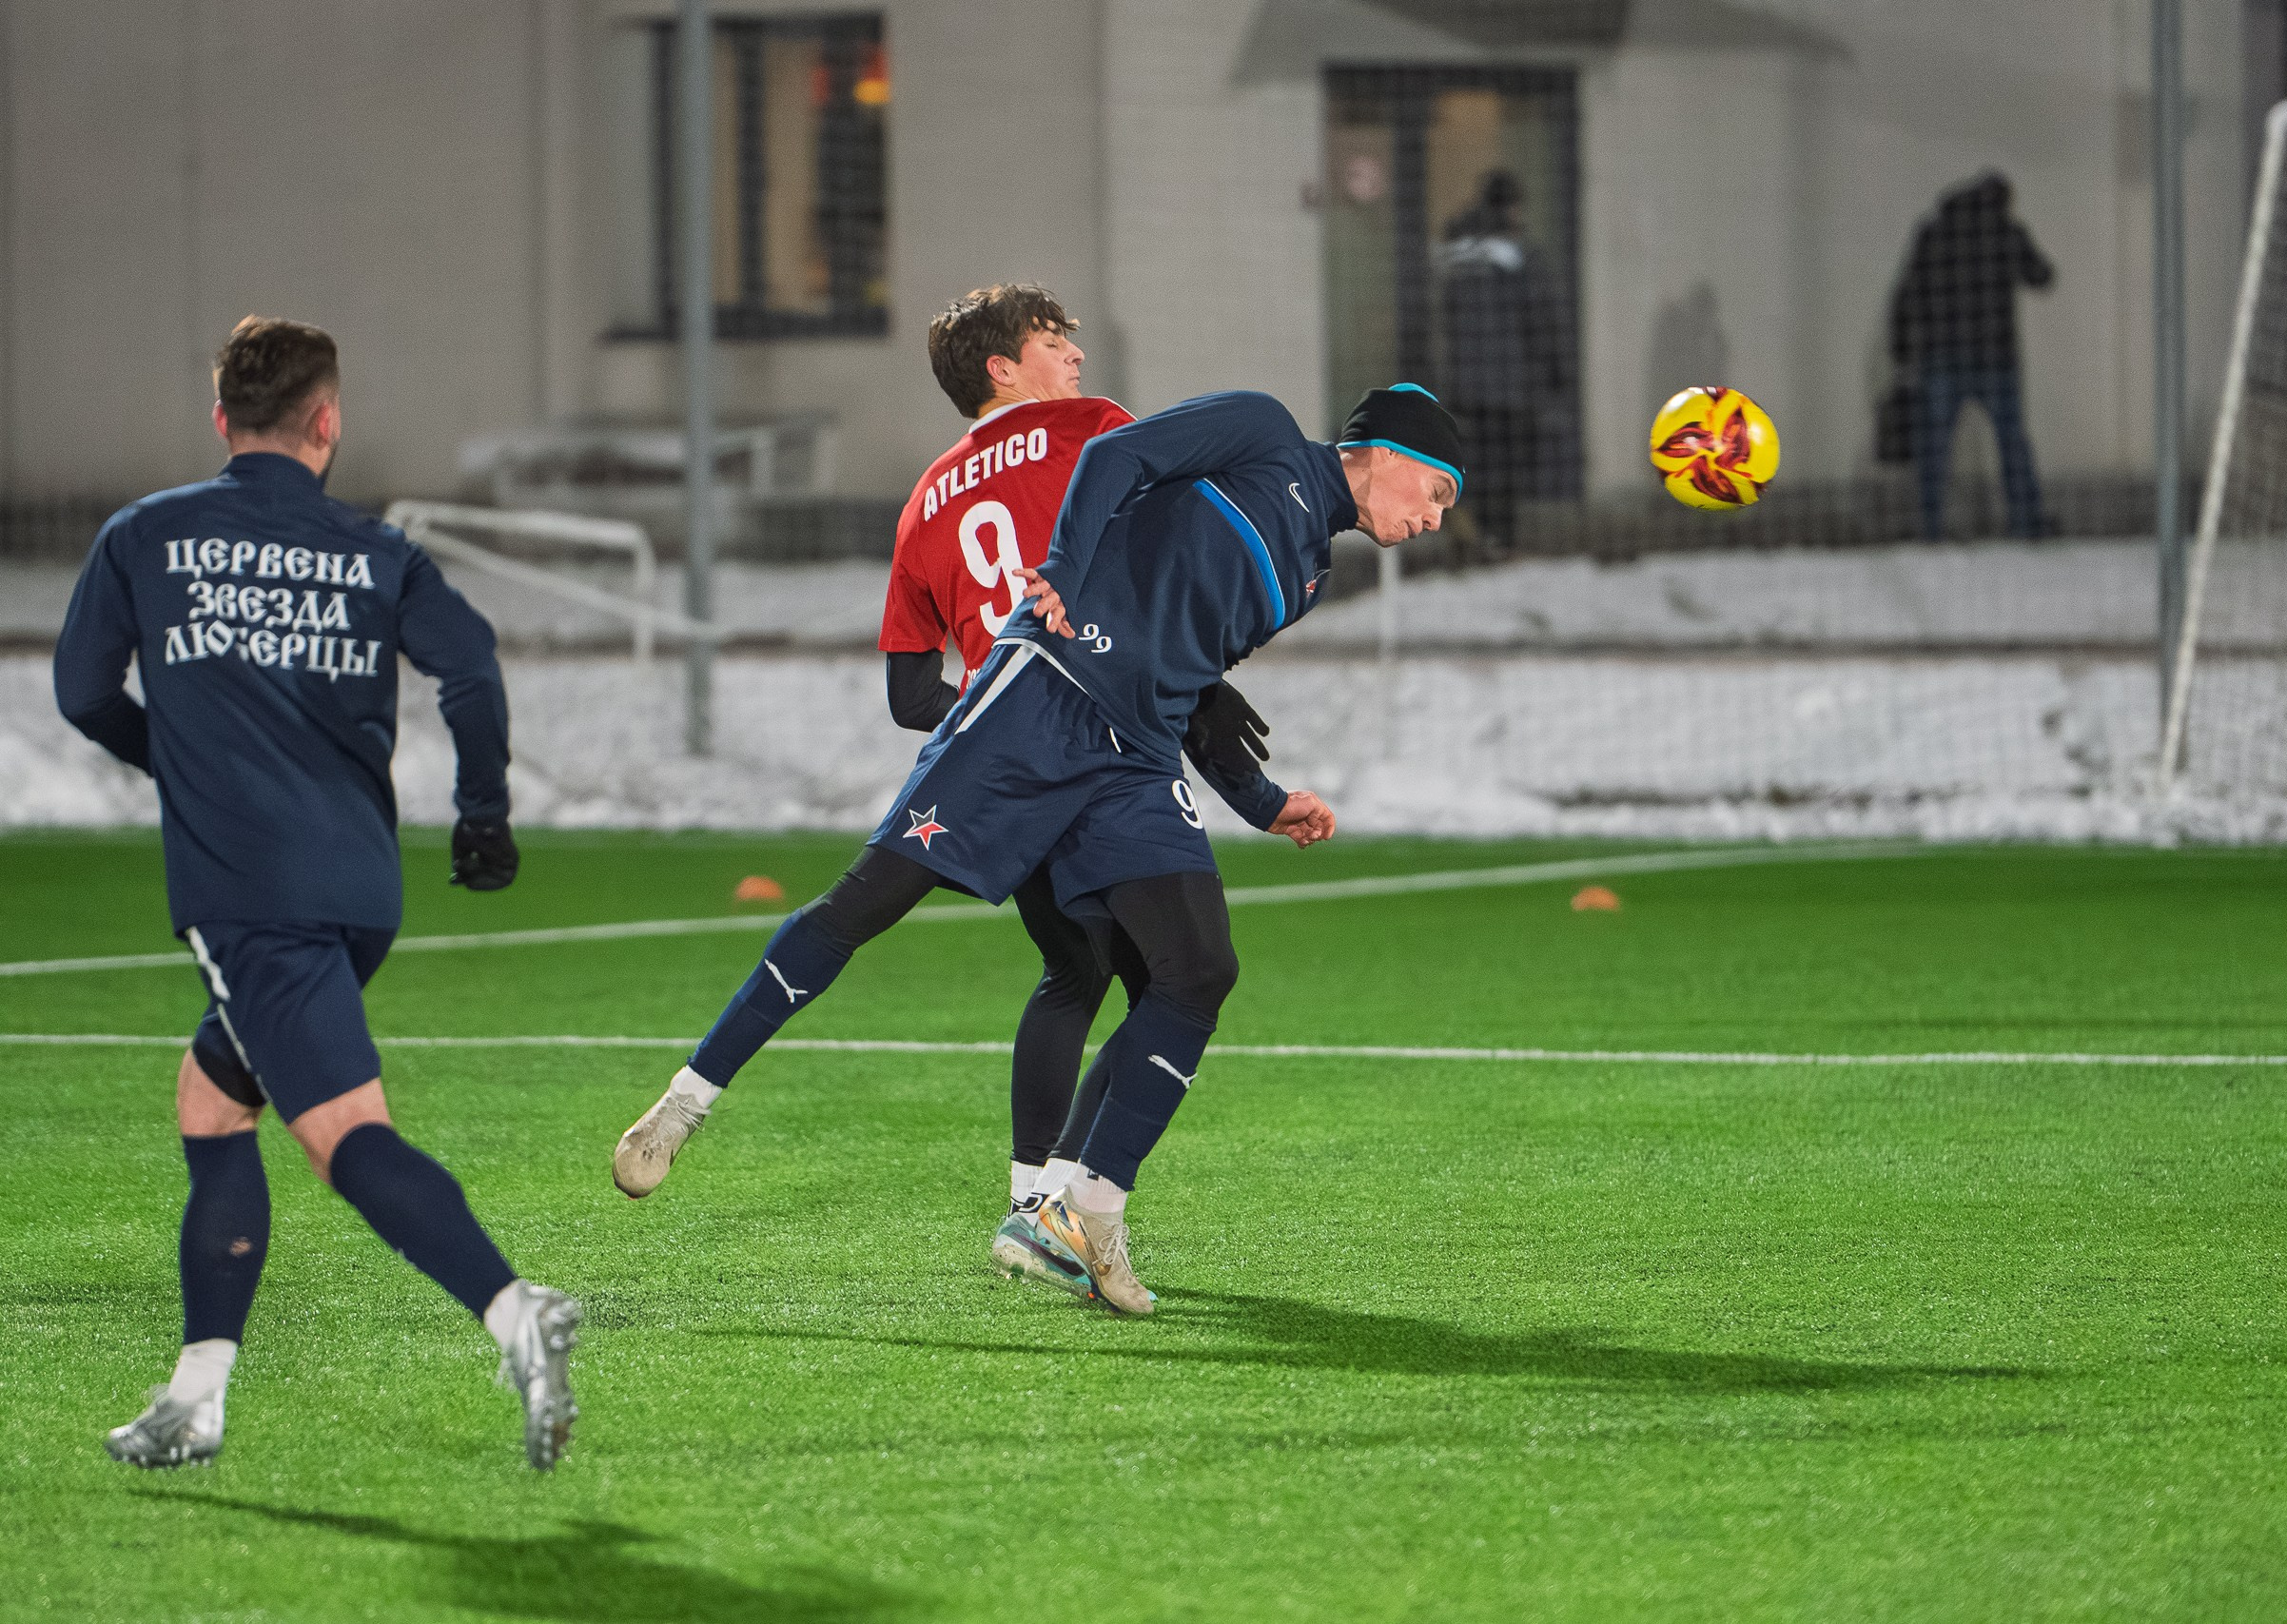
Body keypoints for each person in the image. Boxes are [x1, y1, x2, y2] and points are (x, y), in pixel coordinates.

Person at [612, 382, 1462, 1314]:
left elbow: (1192, 688)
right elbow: (1114, 458)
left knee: (1196, 971)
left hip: (1134, 757)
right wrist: (1060, 566)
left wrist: (1262, 801)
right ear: (1387, 451)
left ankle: (1081, 1210)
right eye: (1437, 492)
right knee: (868, 902)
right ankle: (686, 1100)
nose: (1434, 518)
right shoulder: (1263, 431)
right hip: (1045, 688)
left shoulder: (1309, 577)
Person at [51, 317, 579, 1471]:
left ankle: (513, 1310)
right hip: (359, 889)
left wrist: (177, 758)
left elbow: (81, 691)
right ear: (327, 420)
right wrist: (482, 814)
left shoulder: (146, 535)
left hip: (253, 895)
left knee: (344, 1138)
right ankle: (196, 1395)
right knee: (211, 1102)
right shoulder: (377, 549)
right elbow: (470, 665)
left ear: (221, 419)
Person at [858, 282, 1296, 1289]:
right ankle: (1060, 1209)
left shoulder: (926, 498)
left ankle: (1035, 1203)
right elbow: (1161, 571)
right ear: (1002, 368)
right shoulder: (1091, 432)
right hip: (1105, 751)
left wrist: (1001, 724)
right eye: (1052, 340)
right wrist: (1196, 687)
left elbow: (909, 695)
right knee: (1172, 977)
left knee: (1076, 970)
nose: (1075, 355)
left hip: (1008, 768)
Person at [1890, 171, 2055, 540]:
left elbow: (1908, 290)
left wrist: (1901, 349)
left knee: (1934, 448)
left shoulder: (1935, 232)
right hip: (1994, 355)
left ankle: (1930, 527)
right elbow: (2041, 276)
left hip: (1941, 355)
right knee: (2012, 443)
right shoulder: (2004, 232)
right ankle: (2025, 522)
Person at [1437, 169, 1572, 558]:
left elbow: (1445, 316)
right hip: (1511, 384)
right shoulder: (1520, 259)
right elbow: (1542, 320)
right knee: (1508, 465)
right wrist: (1557, 373)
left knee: (1476, 460)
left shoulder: (1459, 257)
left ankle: (1472, 530)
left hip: (1465, 382)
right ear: (1511, 207)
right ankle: (1500, 538)